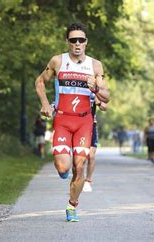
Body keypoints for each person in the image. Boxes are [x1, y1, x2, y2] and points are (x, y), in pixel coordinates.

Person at [35, 22, 110, 222]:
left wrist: (95, 88)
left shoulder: (95, 65)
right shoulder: (57, 61)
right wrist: (44, 103)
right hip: (62, 120)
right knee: (63, 167)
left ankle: (72, 205)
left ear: (86, 42)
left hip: (84, 122)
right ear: (67, 42)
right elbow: (40, 81)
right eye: (73, 40)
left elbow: (106, 97)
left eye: (81, 40)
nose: (77, 44)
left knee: (80, 165)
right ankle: (63, 171)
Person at [83, 94, 108, 193]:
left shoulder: (94, 90)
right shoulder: (76, 85)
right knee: (80, 156)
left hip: (92, 125)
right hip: (78, 124)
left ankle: (88, 181)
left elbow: (104, 107)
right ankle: (78, 179)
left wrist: (99, 101)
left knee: (91, 155)